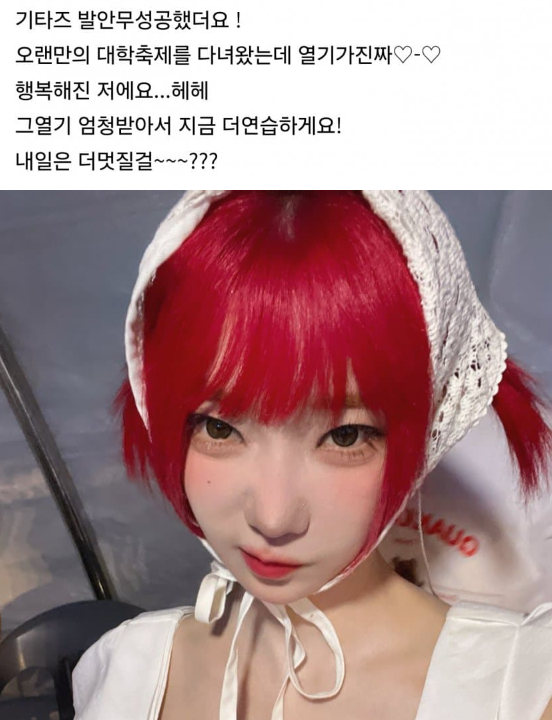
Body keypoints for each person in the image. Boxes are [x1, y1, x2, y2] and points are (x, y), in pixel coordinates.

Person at [72, 191, 552, 720]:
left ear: (427, 430)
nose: (273, 518)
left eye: (345, 437)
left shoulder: (521, 693)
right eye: (219, 428)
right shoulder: (124, 671)